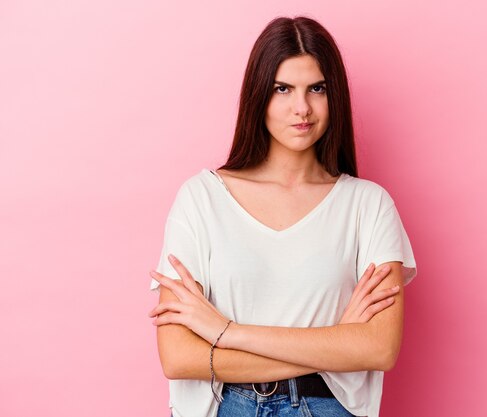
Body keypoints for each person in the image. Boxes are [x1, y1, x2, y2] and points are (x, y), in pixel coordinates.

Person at [148, 16, 416, 417]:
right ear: (259, 95)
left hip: (327, 406)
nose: (302, 108)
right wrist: (336, 344)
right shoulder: (201, 199)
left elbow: (379, 347)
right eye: (283, 88)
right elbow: (179, 357)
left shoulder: (368, 206)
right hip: (227, 406)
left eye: (317, 88)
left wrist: (227, 334)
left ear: (334, 95)